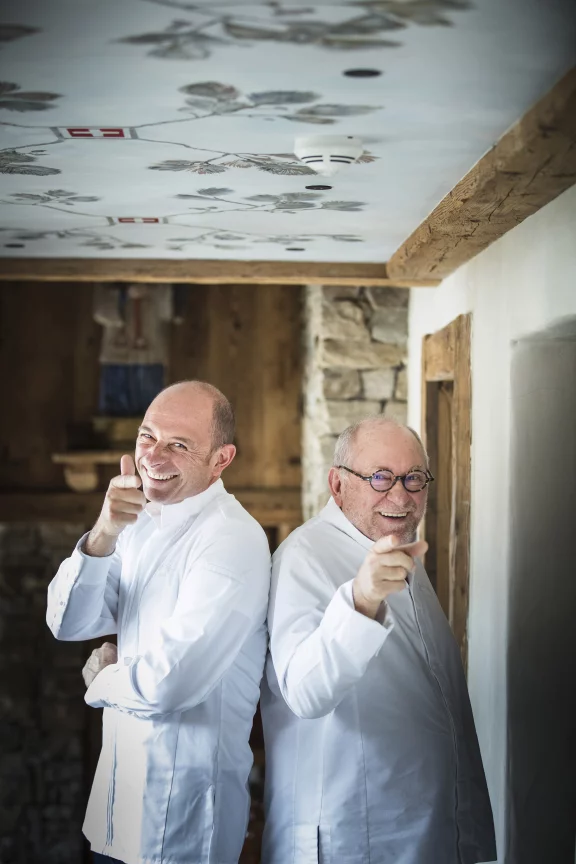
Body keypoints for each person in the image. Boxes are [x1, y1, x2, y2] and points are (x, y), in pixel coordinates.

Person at [47, 381, 271, 864]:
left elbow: (170, 682)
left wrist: (104, 677)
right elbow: (66, 622)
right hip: (115, 813)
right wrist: (104, 532)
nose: (154, 455)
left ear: (222, 459)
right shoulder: (138, 521)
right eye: (148, 436)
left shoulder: (231, 540)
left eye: (179, 445)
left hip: (183, 829)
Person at [261, 416, 496, 864]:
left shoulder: (397, 545)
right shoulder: (303, 556)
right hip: (354, 836)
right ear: (337, 484)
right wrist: (362, 600)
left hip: (423, 829)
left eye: (414, 478)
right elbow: (305, 693)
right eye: (381, 477)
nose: (402, 495)